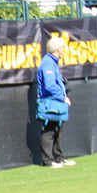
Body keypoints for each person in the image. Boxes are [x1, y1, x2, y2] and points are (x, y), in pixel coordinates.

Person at [35, 34, 74, 168]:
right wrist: (62, 97)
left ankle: (58, 158)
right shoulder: (47, 63)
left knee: (58, 129)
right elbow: (50, 85)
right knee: (49, 130)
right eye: (63, 47)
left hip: (56, 102)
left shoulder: (53, 62)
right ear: (58, 49)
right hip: (50, 102)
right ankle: (48, 160)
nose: (64, 50)